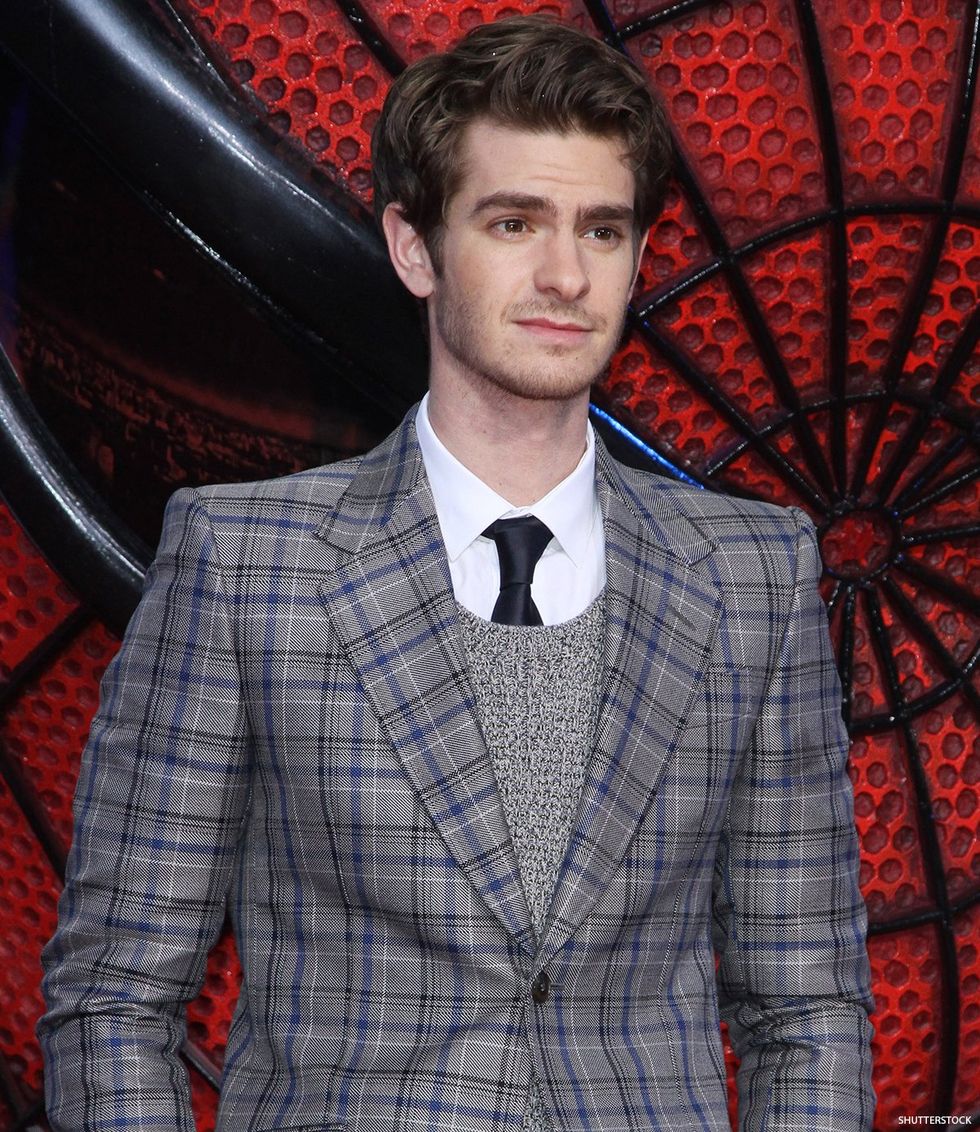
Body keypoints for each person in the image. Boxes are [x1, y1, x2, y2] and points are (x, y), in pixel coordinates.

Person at [38, 16, 874, 1132]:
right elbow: (114, 996)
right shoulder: (245, 564)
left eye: (602, 229)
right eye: (513, 222)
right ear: (413, 248)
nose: (565, 275)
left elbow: (805, 1008)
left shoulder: (751, 577)